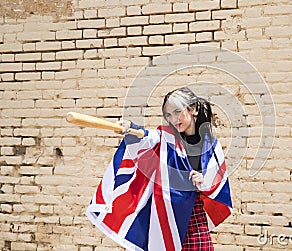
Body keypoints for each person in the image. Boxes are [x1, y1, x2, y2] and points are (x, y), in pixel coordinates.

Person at [87, 87, 232, 251]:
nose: (173, 119)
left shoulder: (211, 146)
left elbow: (217, 183)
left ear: (192, 109)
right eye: (168, 115)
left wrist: (202, 181)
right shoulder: (165, 138)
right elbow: (147, 137)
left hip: (194, 219)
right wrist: (129, 126)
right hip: (165, 216)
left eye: (177, 112)